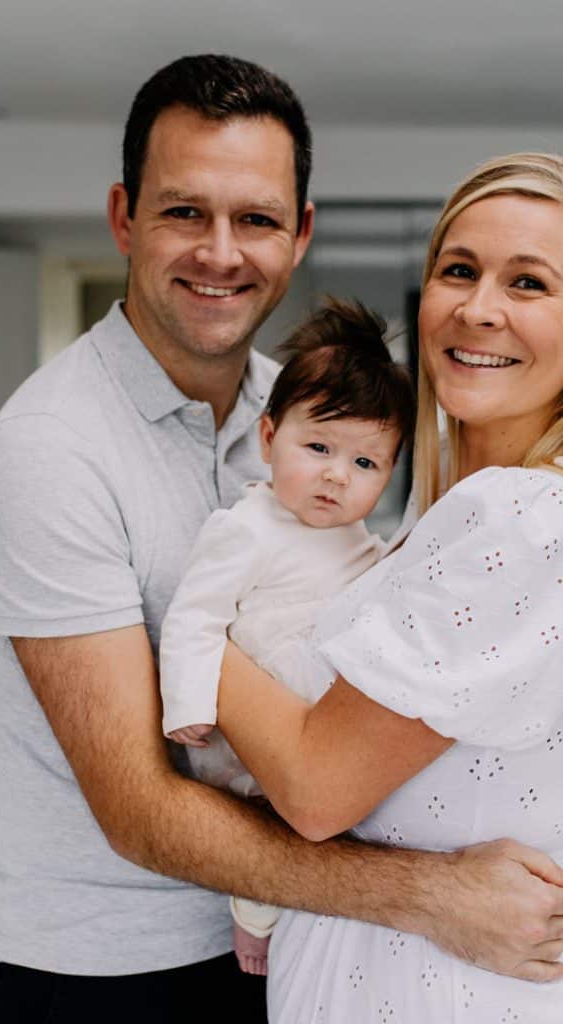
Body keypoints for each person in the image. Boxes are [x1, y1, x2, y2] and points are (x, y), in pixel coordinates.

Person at [0, 53, 563, 1024]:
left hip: (283, 937)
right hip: (100, 973)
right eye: (184, 211)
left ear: (298, 234)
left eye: (255, 219)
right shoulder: (48, 449)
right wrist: (433, 895)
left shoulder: (301, 415)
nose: (221, 251)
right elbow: (136, 808)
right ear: (122, 216)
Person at [212, 152, 563, 1022]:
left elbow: (315, 786)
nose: (477, 309)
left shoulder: (525, 514)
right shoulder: (481, 514)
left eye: (528, 283)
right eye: (457, 270)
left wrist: (172, 619)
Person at [159, 297, 415, 975]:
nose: (337, 475)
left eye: (366, 465)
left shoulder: (358, 540)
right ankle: (251, 925)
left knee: (330, 835)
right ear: (269, 436)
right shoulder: (244, 527)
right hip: (239, 744)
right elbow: (193, 617)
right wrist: (186, 703)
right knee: (265, 839)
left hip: (316, 733)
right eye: (319, 447)